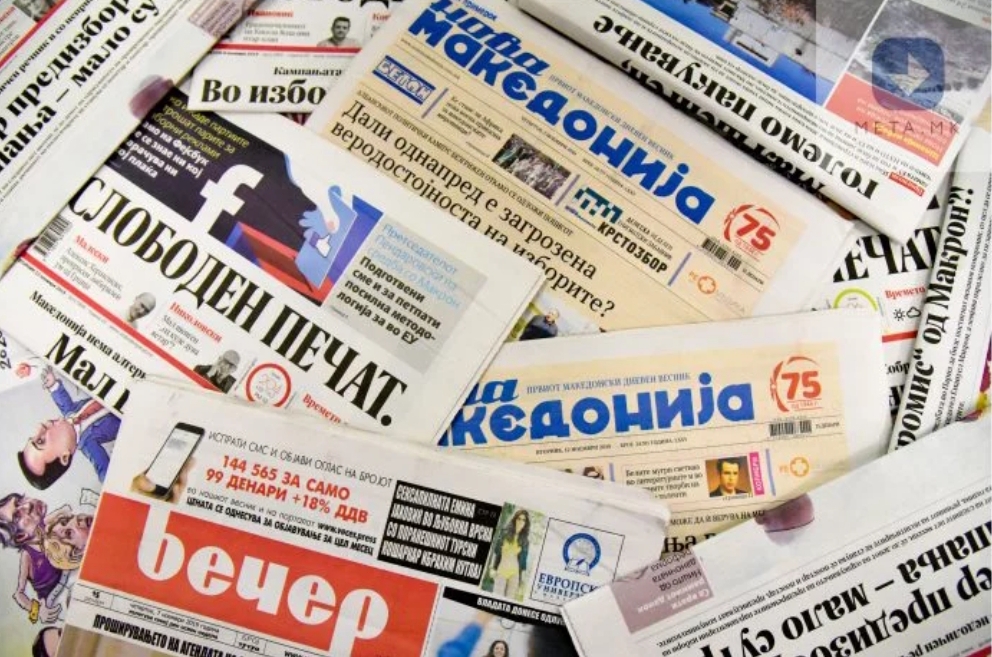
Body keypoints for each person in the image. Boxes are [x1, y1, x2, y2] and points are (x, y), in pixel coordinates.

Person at [18, 367, 120, 488]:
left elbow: (62, 400)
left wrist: (52, 384)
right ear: (64, 457)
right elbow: (104, 471)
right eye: (41, 441)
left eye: (34, 436)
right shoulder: (89, 445)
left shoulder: (69, 412)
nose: (40, 427)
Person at [0, 493, 71, 624]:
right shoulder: (28, 556)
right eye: (17, 516)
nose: (27, 505)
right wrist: (37, 611)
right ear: (21, 536)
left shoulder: (48, 525)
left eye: (19, 500)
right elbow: (19, 594)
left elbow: (66, 510)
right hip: (59, 602)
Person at [489, 510, 530, 600]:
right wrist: (493, 568)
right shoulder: (504, 533)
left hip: (515, 573)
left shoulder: (525, 541)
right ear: (515, 519)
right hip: (502, 571)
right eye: (519, 518)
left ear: (526, 523)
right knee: (496, 598)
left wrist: (521, 580)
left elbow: (523, 562)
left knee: (509, 600)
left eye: (524, 520)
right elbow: (496, 551)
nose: (521, 521)